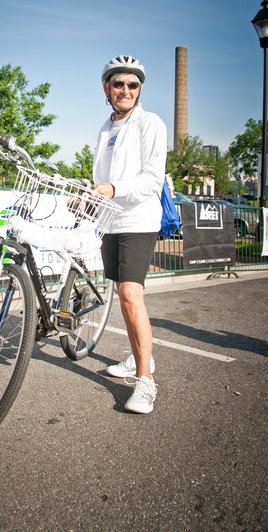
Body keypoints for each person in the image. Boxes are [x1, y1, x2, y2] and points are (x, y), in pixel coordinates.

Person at [93, 55, 167, 414]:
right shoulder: (105, 129)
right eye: (118, 83)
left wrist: (112, 188)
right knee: (124, 296)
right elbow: (103, 177)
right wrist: (92, 198)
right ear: (106, 88)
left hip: (138, 219)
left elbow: (153, 178)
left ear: (140, 90)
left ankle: (145, 382)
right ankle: (140, 358)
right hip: (111, 221)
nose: (125, 90)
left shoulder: (150, 123)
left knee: (130, 294)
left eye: (132, 84)